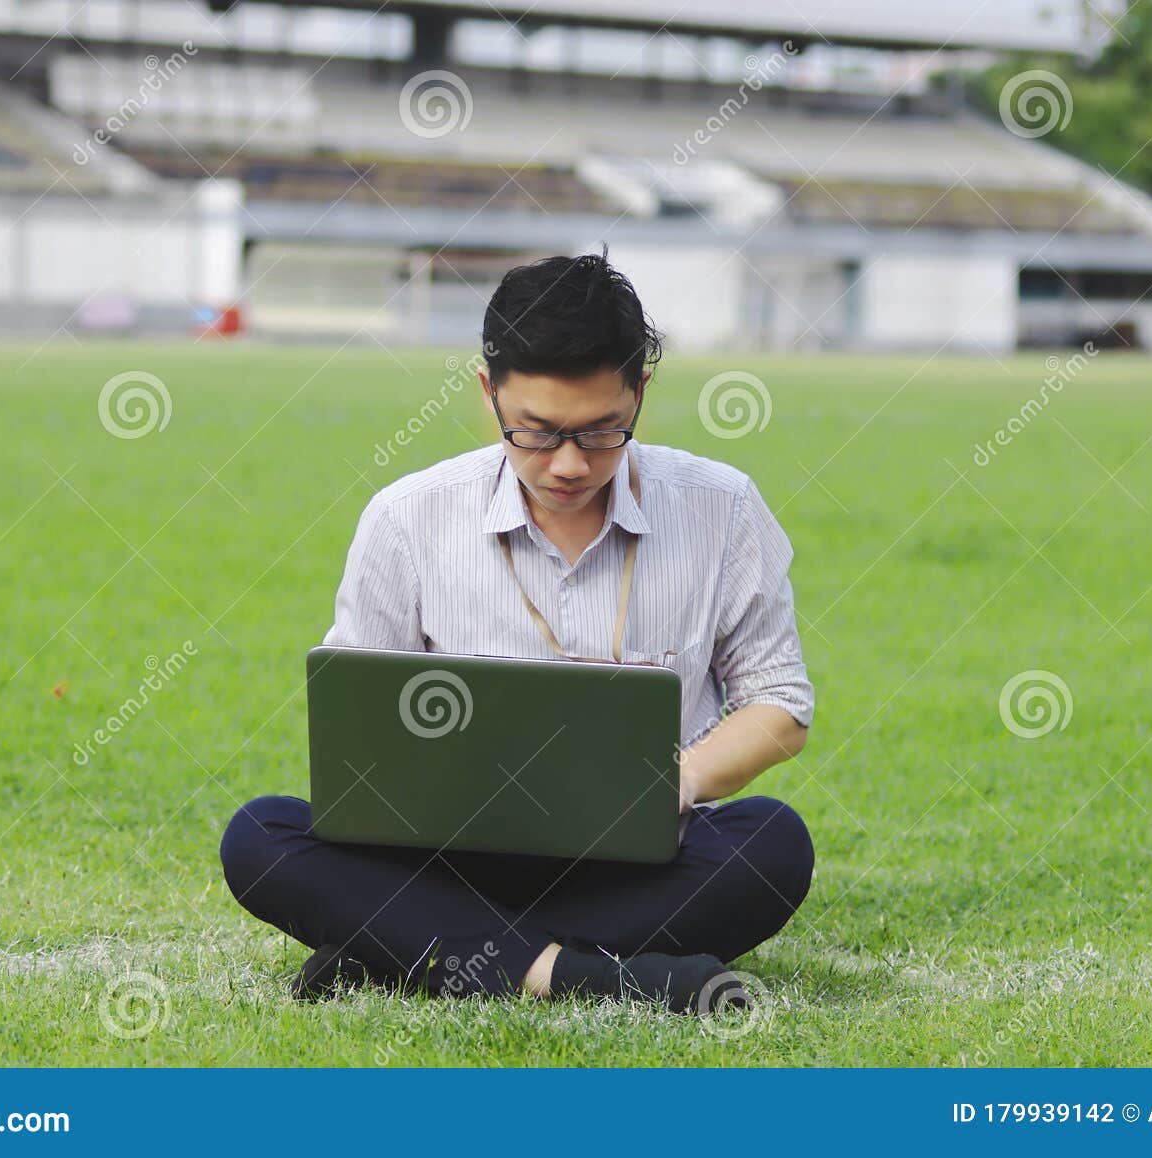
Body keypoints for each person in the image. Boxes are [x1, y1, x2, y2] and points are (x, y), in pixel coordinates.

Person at [220, 250, 815, 1014]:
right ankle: (582, 976)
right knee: (261, 836)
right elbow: (353, 725)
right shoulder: (409, 516)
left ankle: (410, 950)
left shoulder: (722, 509)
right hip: (447, 860)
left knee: (772, 845)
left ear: (639, 392)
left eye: (603, 432)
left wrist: (679, 782)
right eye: (536, 433)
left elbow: (779, 704)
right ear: (487, 391)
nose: (569, 464)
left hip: (640, 858)